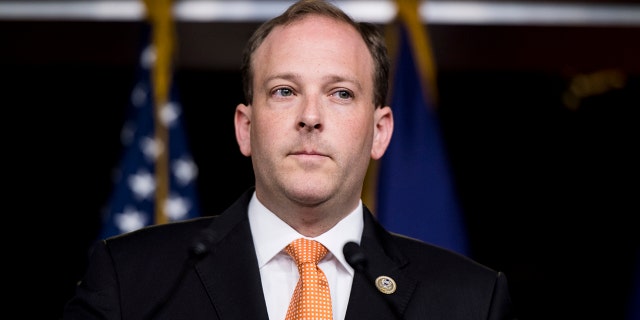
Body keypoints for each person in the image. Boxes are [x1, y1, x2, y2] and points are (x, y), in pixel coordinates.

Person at [63, 0, 515, 319]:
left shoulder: (470, 300)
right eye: (285, 91)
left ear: (380, 132)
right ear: (245, 128)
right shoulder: (131, 280)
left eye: (340, 93)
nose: (311, 117)